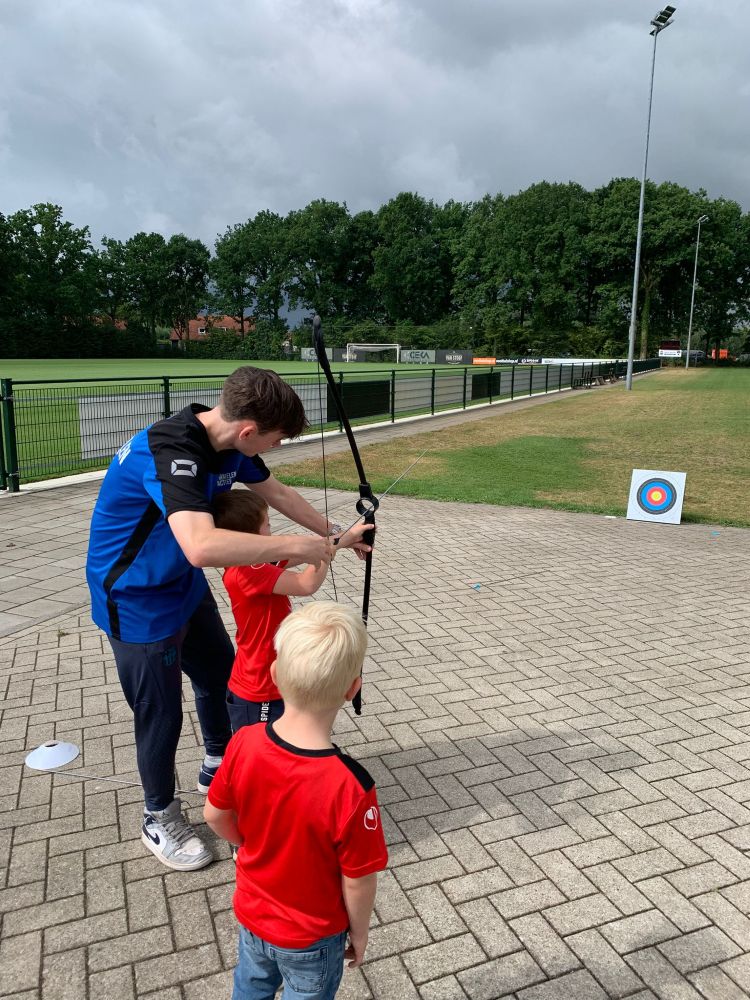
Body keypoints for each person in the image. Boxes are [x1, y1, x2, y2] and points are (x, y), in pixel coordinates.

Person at [85, 366, 372, 872]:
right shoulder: (172, 452)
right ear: (247, 431)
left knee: (220, 677)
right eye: (275, 439)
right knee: (161, 712)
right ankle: (159, 813)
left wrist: (338, 535)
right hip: (135, 597)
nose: (275, 448)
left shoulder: (230, 447)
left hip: (181, 586)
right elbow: (200, 546)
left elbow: (277, 494)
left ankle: (218, 764)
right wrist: (302, 546)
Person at [204, 601, 388, 1000]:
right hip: (313, 935)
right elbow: (358, 879)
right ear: (352, 688)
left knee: (249, 987)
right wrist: (359, 931)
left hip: (253, 915)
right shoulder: (353, 787)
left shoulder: (244, 742)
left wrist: (246, 843)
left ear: (274, 674)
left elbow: (214, 814)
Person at [212, 488, 347, 732]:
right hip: (258, 687)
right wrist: (324, 555)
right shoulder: (248, 570)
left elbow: (294, 555)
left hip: (273, 679)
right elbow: (306, 584)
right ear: (250, 537)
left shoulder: (255, 561)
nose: (272, 530)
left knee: (280, 749)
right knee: (261, 758)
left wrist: (348, 537)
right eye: (267, 525)